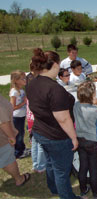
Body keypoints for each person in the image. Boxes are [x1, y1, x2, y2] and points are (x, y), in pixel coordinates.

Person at [26, 48, 80, 199]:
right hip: (57, 137)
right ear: (55, 65)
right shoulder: (54, 89)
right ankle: (67, 196)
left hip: (40, 131)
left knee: (50, 162)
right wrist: (74, 138)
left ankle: (54, 187)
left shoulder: (32, 83)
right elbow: (63, 119)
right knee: (62, 170)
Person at [73, 81, 97, 198]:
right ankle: (95, 192)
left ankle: (83, 189)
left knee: (83, 166)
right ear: (92, 95)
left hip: (80, 139)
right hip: (93, 141)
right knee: (93, 168)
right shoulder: (94, 109)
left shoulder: (76, 105)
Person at [0, 93, 31, 187]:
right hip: (2, 138)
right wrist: (11, 136)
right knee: (7, 159)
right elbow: (3, 122)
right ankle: (19, 179)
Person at [26, 64, 46, 173]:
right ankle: (41, 166)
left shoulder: (29, 94)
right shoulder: (37, 95)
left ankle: (35, 164)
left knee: (35, 143)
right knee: (41, 144)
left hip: (31, 121)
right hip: (38, 122)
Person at [9, 70, 28, 159]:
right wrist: (24, 102)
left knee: (22, 132)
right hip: (16, 117)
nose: (25, 80)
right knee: (18, 134)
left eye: (25, 78)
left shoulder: (21, 90)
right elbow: (12, 107)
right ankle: (18, 152)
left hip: (21, 115)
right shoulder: (14, 92)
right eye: (22, 78)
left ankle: (22, 148)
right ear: (16, 80)